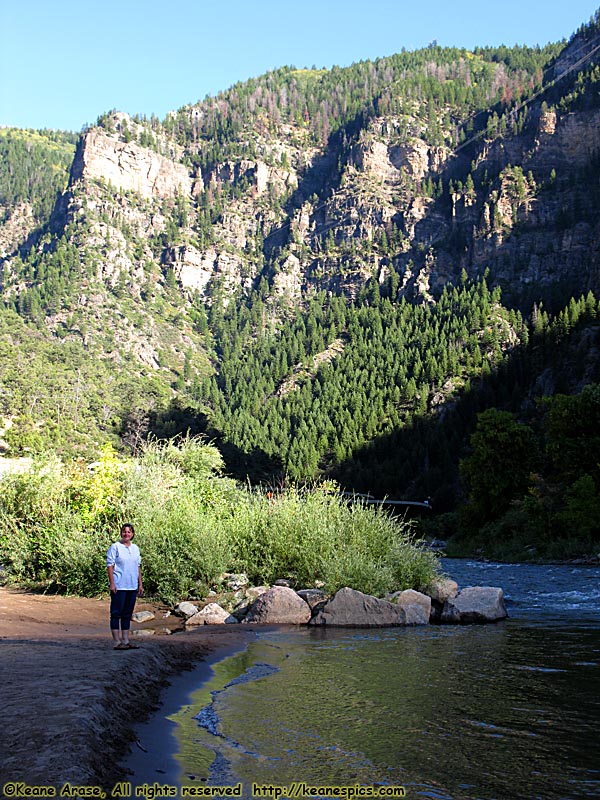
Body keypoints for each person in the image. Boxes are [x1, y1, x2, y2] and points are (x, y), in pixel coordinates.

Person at [106, 522, 143, 650]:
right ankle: (116, 642)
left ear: (132, 534)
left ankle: (125, 640)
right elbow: (110, 565)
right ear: (121, 533)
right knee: (116, 613)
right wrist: (112, 583)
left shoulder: (135, 548)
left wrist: (140, 584)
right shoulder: (115, 547)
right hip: (119, 585)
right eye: (124, 531)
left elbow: (137, 567)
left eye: (129, 532)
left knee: (127, 614)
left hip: (132, 586)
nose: (126, 534)